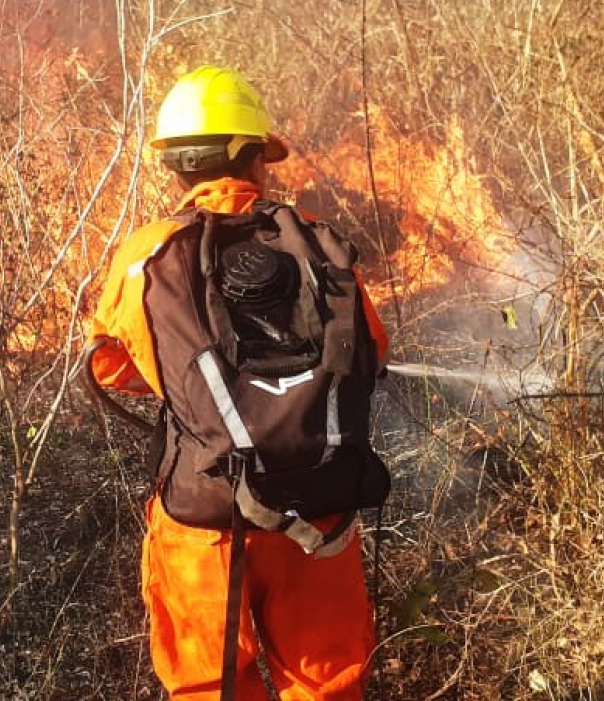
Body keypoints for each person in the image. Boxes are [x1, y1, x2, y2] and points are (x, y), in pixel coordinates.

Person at [87, 65, 390, 701]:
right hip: (320, 512)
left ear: (174, 165)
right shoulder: (316, 241)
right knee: (328, 685)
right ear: (257, 158)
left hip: (209, 518)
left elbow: (109, 367)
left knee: (210, 688)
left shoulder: (149, 255)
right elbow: (372, 353)